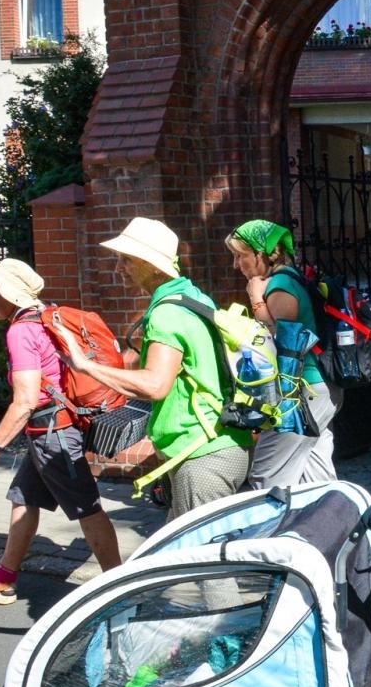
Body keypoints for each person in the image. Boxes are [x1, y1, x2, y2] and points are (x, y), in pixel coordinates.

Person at [57, 218, 253, 518]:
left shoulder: (167, 314)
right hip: (216, 444)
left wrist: (84, 366)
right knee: (181, 554)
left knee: (195, 560)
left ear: (152, 265)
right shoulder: (192, 297)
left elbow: (155, 385)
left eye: (127, 260)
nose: (118, 268)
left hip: (200, 455)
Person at [0, 259, 122, 605]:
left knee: (87, 509)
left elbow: (25, 400)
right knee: (24, 498)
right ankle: (3, 578)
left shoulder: (21, 331)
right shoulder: (44, 316)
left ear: (11, 296)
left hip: (53, 434)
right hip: (49, 431)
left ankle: (119, 589)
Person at [226, 220, 340, 489]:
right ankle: (334, 524)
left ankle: (273, 528)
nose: (235, 265)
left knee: (268, 475)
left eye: (240, 256)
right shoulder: (291, 278)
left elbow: (281, 337)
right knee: (316, 474)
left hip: (301, 392)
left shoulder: (280, 286)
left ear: (264, 253)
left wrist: (256, 299)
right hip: (317, 388)